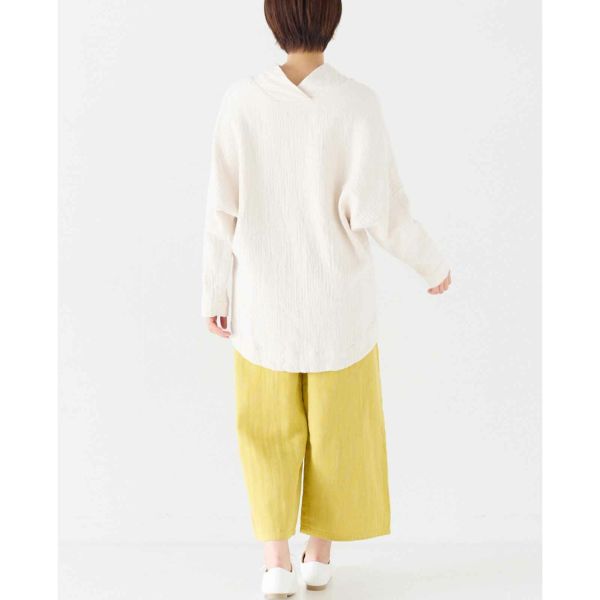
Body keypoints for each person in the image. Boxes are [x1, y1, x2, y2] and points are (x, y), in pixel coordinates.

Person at [201, 0, 452, 596]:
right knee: (340, 431)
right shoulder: (358, 103)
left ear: (274, 20)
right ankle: (318, 554)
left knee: (266, 433)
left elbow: (220, 209)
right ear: (333, 19)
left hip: (263, 303)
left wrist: (215, 291)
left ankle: (276, 563)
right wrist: (432, 264)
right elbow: (383, 210)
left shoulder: (242, 100)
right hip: (340, 305)